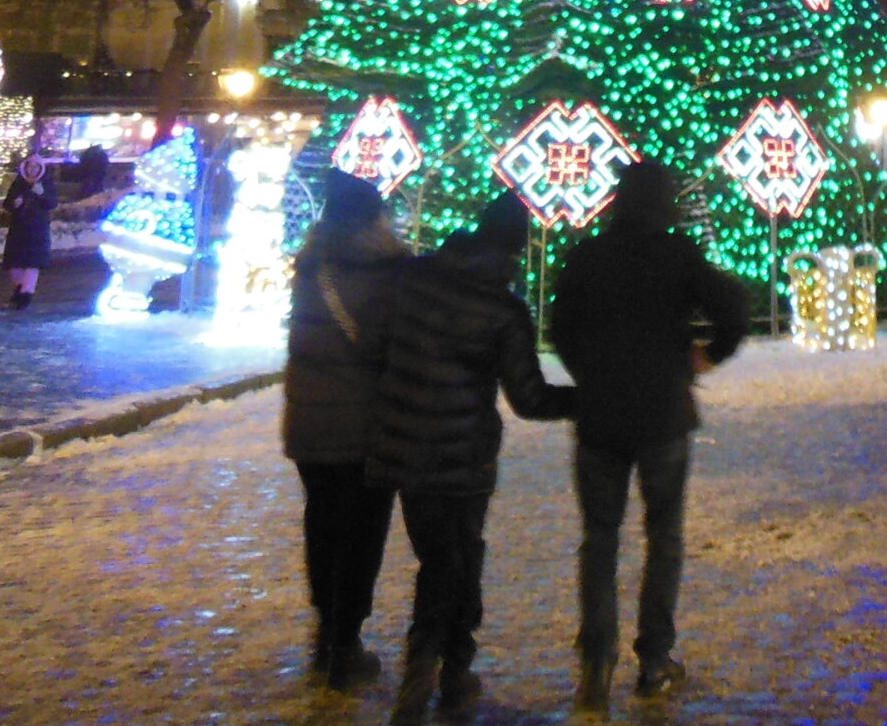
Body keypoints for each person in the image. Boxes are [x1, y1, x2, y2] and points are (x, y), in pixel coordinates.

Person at [367, 191, 575, 726]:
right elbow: (529, 399)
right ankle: (441, 673)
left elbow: (378, 344)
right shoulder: (502, 310)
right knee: (457, 562)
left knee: (441, 560)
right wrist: (588, 400)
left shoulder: (413, 279)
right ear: (515, 249)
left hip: (404, 449)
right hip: (462, 460)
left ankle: (443, 673)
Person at [549, 160, 749, 715]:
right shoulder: (678, 253)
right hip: (663, 414)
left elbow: (559, 327)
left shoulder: (588, 254)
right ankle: (654, 659)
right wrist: (706, 356)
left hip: (601, 418)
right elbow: (735, 306)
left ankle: (596, 661)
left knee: (600, 538)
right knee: (664, 537)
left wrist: (590, 372)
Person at [285, 169, 409, 690]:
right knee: (362, 531)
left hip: (311, 422)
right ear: (374, 219)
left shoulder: (310, 268)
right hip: (367, 425)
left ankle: (325, 628)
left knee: (323, 522)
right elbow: (393, 347)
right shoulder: (390, 273)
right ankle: (345, 640)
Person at [1, 155, 58, 309]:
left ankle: (26, 294)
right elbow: (7, 203)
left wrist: (41, 194)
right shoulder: (19, 183)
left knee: (32, 263)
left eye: (35, 167)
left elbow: (52, 203)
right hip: (19, 227)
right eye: (29, 166)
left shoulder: (46, 183)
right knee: (15, 263)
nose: (32, 169)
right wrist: (14, 203)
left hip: (37, 228)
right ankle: (20, 288)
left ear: (41, 168)